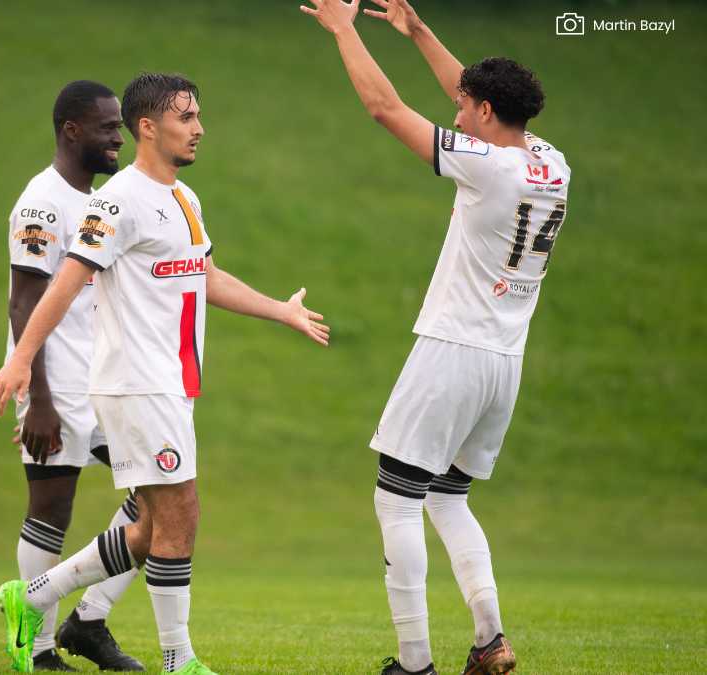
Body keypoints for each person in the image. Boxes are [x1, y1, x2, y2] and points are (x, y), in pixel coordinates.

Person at [0, 72, 331, 674]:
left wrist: (282, 310)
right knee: (180, 516)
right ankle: (179, 661)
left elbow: (208, 276)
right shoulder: (116, 201)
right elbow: (64, 283)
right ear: (147, 127)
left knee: (154, 524)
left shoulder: (183, 198)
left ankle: (34, 598)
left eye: (198, 116)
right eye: (186, 117)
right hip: (135, 383)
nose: (199, 129)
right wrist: (20, 360)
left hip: (172, 383)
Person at [299, 1, 569, 673]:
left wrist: (344, 30)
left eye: (465, 105)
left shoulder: (489, 169)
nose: (455, 109)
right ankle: (489, 639)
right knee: (449, 497)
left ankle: (414, 663)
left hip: (453, 346)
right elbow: (468, 96)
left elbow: (386, 110)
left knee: (396, 495)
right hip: (505, 359)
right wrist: (418, 32)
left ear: (485, 113)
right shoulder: (551, 162)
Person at [5, 79, 143, 672]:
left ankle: (88, 620)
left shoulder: (103, 201)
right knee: (51, 512)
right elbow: (23, 304)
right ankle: (33, 649)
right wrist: (38, 400)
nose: (121, 137)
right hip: (56, 385)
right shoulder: (40, 203)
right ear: (72, 130)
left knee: (159, 500)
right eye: (110, 128)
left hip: (108, 378)